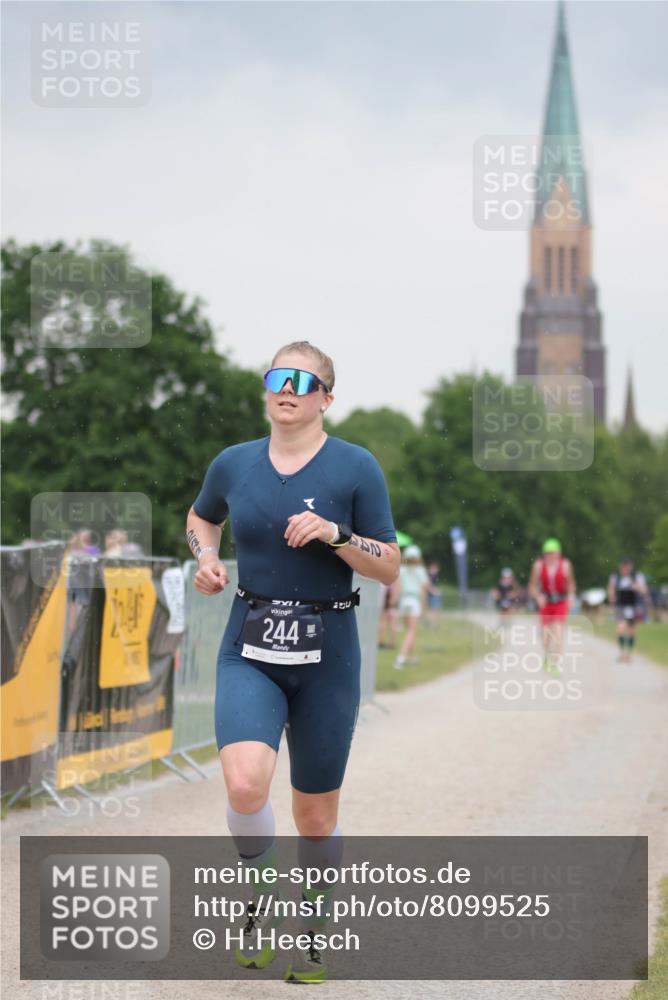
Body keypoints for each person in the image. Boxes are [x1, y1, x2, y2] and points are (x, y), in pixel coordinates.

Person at [185, 341, 400, 983]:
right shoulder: (233, 463)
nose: (288, 388)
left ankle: (313, 928)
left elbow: (388, 564)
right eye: (278, 376)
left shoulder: (355, 467)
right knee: (246, 783)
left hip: (329, 654)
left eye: (304, 381)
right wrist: (205, 557)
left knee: (315, 814)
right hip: (249, 644)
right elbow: (201, 517)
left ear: (326, 398)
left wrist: (336, 536)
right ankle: (258, 902)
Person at [528, 539, 576, 674]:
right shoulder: (538, 566)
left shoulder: (566, 565)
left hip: (560, 602)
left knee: (558, 633)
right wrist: (538, 597)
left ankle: (555, 665)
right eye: (547, 553)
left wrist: (571, 596)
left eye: (553, 553)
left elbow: (571, 584)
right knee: (545, 637)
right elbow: (531, 586)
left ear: (559, 553)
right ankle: (547, 656)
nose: (550, 556)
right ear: (544, 554)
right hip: (545, 603)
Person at [394, 544, 429, 669]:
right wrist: (425, 607)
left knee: (409, 631)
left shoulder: (401, 569)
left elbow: (398, 588)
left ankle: (414, 658)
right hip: (414, 601)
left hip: (404, 601)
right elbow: (424, 590)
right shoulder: (420, 571)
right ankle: (401, 659)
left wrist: (395, 603)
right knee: (411, 632)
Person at [607, 558, 649, 663]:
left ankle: (629, 654)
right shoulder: (616, 576)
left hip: (632, 605)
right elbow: (611, 588)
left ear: (630, 567)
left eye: (626, 566)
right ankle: (621, 653)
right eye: (623, 566)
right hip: (621, 605)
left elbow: (644, 590)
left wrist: (635, 584)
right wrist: (611, 597)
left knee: (631, 630)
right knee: (620, 628)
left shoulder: (636, 576)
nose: (624, 568)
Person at [377, 575, 401, 648]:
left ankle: (385, 641)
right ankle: (388, 642)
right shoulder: (394, 574)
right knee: (388, 621)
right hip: (389, 600)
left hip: (388, 600)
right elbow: (397, 587)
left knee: (387, 621)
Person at [425, 561, 443, 627]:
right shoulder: (429, 575)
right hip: (431, 594)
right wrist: (434, 591)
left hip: (432, 594)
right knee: (433, 610)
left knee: (434, 610)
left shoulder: (434, 575)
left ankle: (432, 623)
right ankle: (432, 623)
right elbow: (428, 585)